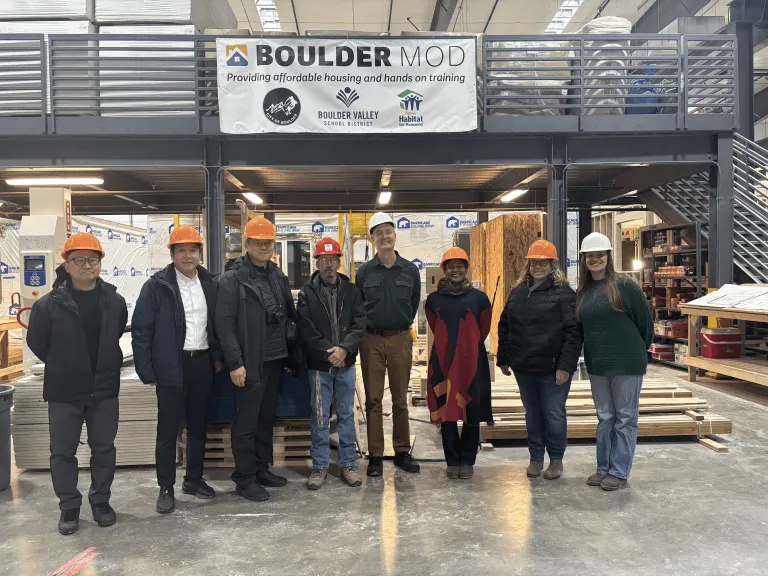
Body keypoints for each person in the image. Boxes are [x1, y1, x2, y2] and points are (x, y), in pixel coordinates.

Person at [26, 233, 128, 536]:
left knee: (104, 449)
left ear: (100, 263)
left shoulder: (115, 301)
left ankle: (101, 502)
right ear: (66, 265)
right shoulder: (47, 306)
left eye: (92, 260)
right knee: (62, 452)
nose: (87, 265)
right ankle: (69, 507)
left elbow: (115, 336)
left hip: (104, 390)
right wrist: (68, 367)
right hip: (64, 391)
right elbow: (38, 343)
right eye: (79, 260)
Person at [132, 225, 223, 514]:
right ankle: (166, 487)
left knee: (197, 427)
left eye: (193, 250)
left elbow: (218, 325)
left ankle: (193, 479)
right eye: (181, 250)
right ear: (172, 254)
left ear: (200, 254)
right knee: (168, 430)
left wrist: (218, 358)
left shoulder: (210, 282)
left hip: (202, 363)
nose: (188, 255)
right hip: (172, 365)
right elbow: (141, 330)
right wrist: (146, 369)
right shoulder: (157, 286)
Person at [216, 216, 303, 502]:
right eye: (258, 242)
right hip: (250, 361)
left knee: (266, 418)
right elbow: (224, 324)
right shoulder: (232, 280)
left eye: (268, 242)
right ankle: (245, 477)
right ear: (247, 244)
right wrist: (235, 363)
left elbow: (289, 315)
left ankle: (261, 468)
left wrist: (291, 354)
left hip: (275, 359)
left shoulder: (276, 275)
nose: (264, 247)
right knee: (246, 422)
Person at [497, 240, 582, 480]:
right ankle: (536, 458)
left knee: (553, 414)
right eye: (534, 262)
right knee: (532, 414)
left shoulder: (564, 293)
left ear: (552, 265)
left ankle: (556, 460)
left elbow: (573, 334)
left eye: (543, 263)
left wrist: (565, 366)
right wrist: (504, 356)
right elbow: (505, 325)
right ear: (529, 264)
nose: (538, 267)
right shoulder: (518, 291)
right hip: (524, 367)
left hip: (553, 369)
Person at [576, 232, 653, 491]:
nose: (595, 259)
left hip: (627, 363)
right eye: (590, 256)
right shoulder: (584, 292)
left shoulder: (625, 285)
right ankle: (603, 468)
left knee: (624, 417)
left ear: (609, 257)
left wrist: (635, 354)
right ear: (584, 259)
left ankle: (619, 471)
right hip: (597, 364)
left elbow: (645, 325)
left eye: (600, 255)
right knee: (605, 417)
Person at [356, 212, 422, 477]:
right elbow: (358, 307)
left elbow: (414, 302)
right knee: (373, 399)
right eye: (378, 232)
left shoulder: (409, 270)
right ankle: (375, 455)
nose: (384, 236)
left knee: (399, 399)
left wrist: (402, 326)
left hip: (399, 338)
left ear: (395, 235)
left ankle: (402, 451)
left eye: (388, 231)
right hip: (370, 339)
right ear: (372, 239)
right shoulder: (364, 272)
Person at [297, 238, 366, 490]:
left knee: (347, 415)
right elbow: (306, 329)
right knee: (320, 416)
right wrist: (329, 352)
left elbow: (360, 324)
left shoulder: (352, 291)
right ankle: (320, 466)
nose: (328, 265)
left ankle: (348, 465)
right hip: (320, 366)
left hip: (346, 363)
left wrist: (345, 349)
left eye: (332, 260)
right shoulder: (307, 293)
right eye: (324, 260)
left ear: (339, 262)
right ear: (316, 262)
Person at [424, 248, 492, 479]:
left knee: (471, 411)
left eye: (460, 266)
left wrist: (467, 348)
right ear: (444, 270)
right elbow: (435, 327)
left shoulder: (480, 299)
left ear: (466, 268)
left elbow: (483, 329)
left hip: (471, 364)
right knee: (447, 413)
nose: (456, 270)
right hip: (443, 362)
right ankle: (452, 460)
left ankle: (468, 460)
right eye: (451, 266)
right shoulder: (433, 300)